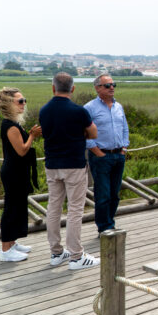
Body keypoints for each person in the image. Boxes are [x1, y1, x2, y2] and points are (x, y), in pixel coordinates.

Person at [39, 72, 100, 270]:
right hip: (74, 164)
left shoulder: (44, 110)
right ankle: (76, 256)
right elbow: (93, 132)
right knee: (75, 210)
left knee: (53, 208)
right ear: (73, 89)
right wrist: (78, 132)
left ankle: (56, 253)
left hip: (52, 165)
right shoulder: (79, 111)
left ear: (53, 88)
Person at [0, 88, 41, 262]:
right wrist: (32, 136)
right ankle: (5, 250)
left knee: (18, 207)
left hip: (18, 172)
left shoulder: (14, 124)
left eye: (24, 100)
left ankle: (12, 242)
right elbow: (21, 150)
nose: (24, 104)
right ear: (9, 104)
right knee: (11, 209)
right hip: (13, 173)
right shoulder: (10, 126)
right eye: (20, 101)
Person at [85, 74, 129, 236]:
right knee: (102, 194)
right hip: (101, 156)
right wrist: (97, 152)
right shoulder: (89, 108)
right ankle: (105, 227)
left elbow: (125, 128)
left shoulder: (119, 107)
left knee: (114, 195)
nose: (112, 88)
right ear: (97, 88)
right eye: (107, 85)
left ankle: (110, 223)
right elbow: (85, 133)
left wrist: (124, 148)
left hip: (118, 155)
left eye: (113, 84)